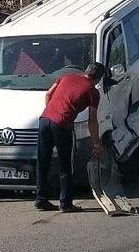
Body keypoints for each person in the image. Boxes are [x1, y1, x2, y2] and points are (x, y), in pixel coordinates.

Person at [36, 62, 106, 212]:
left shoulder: (66, 77)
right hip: (62, 125)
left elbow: (48, 93)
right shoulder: (92, 92)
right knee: (65, 165)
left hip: (44, 120)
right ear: (99, 78)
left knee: (43, 161)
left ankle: (41, 199)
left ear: (85, 71)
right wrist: (97, 144)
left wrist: (51, 112)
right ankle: (66, 203)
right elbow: (92, 120)